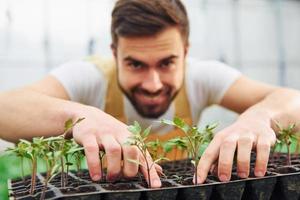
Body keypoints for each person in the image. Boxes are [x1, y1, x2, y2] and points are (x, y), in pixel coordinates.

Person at [0, 0, 300, 188]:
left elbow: (291, 99)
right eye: (135, 64)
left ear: (185, 52)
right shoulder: (90, 78)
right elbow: (6, 108)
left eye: (168, 63)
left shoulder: (202, 76)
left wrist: (262, 116)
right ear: (114, 54)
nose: (153, 83)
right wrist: (80, 116)